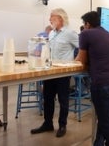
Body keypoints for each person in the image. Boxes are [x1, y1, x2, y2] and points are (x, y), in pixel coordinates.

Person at [76, 11, 109, 146]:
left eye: (84, 24)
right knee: (105, 117)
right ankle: (98, 143)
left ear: (87, 24)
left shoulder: (85, 34)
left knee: (106, 121)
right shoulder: (108, 35)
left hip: (103, 84)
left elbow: (81, 59)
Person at [31, 8, 79, 138]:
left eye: (52, 17)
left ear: (60, 19)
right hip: (50, 71)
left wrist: (76, 62)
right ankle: (48, 123)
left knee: (63, 99)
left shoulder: (70, 33)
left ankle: (62, 125)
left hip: (63, 73)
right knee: (48, 98)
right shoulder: (51, 33)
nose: (49, 19)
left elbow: (82, 47)